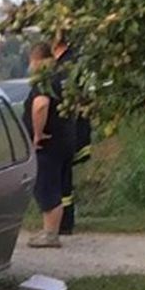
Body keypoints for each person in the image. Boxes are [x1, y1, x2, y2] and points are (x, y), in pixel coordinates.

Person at [23, 43, 75, 248]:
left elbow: (41, 105)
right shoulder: (62, 79)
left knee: (47, 186)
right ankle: (50, 230)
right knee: (58, 185)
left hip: (48, 142)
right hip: (65, 138)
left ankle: (50, 234)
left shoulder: (43, 82)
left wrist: (37, 133)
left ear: (37, 61)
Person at [52, 34, 91, 235]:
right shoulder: (74, 62)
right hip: (74, 130)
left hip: (68, 131)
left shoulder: (65, 67)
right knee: (65, 179)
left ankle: (63, 224)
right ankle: (66, 221)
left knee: (61, 180)